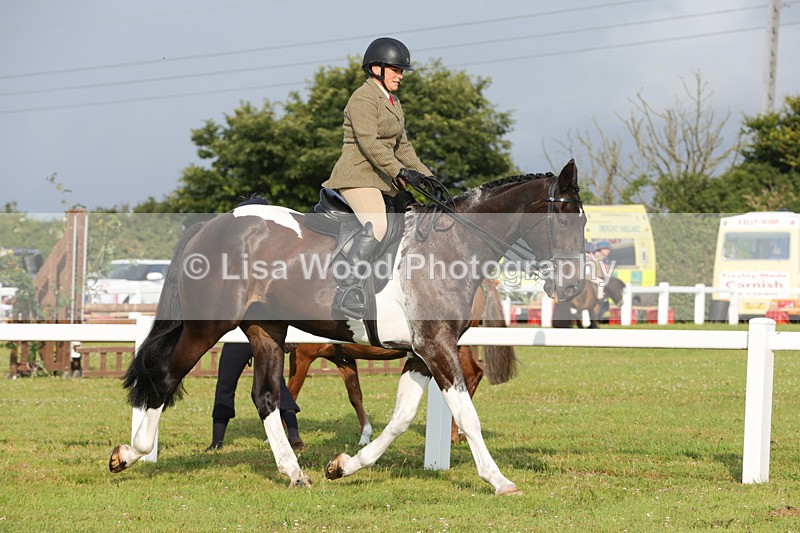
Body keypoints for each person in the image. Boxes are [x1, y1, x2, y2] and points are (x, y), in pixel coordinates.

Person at [321, 36, 434, 319]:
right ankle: (349, 290)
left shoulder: (393, 102)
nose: (401, 75)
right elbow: (370, 143)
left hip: (382, 178)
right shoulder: (362, 98)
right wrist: (399, 171)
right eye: (396, 69)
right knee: (378, 224)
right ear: (376, 69)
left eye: (401, 70)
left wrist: (429, 179)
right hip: (357, 176)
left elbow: (403, 147)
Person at [207, 343, 303, 451]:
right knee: (226, 385)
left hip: (261, 337)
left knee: (276, 385)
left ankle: (294, 435)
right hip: (245, 337)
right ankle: (216, 442)